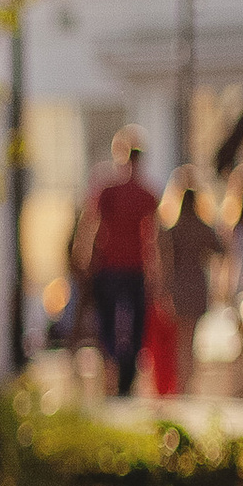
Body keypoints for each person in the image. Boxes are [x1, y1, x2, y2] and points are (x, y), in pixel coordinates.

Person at [75, 133, 159, 397]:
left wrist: (84, 257)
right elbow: (155, 238)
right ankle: (123, 375)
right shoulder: (144, 194)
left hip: (115, 267)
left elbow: (90, 226)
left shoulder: (110, 191)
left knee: (110, 323)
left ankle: (116, 373)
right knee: (131, 325)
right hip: (129, 268)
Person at [155, 172, 222, 396]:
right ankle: (186, 383)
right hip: (196, 286)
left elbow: (165, 262)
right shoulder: (202, 228)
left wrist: (164, 290)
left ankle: (182, 384)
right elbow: (220, 248)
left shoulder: (173, 230)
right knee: (190, 339)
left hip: (179, 287)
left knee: (181, 340)